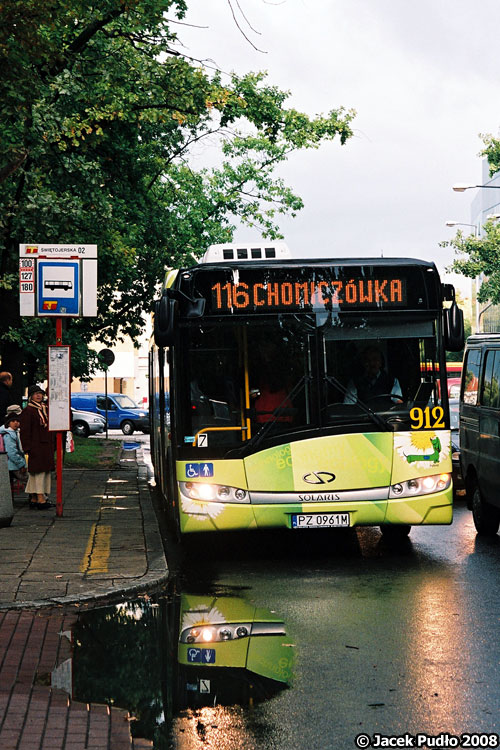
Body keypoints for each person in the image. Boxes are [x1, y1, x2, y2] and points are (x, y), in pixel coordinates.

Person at [19, 385, 55, 509]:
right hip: (36, 446)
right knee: (38, 472)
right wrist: (27, 448)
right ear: (30, 396)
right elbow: (24, 431)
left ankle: (34, 498)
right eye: (35, 394)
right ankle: (40, 498)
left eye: (40, 393)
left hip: (45, 446)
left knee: (41, 472)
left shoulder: (45, 408)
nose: (39, 396)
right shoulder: (28, 411)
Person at [0, 406, 27, 492]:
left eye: (17, 421)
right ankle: (35, 497)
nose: (16, 423)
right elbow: (12, 452)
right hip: (12, 465)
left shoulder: (12, 432)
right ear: (8, 423)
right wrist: (21, 464)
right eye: (13, 421)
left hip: (10, 463)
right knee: (29, 479)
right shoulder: (9, 435)